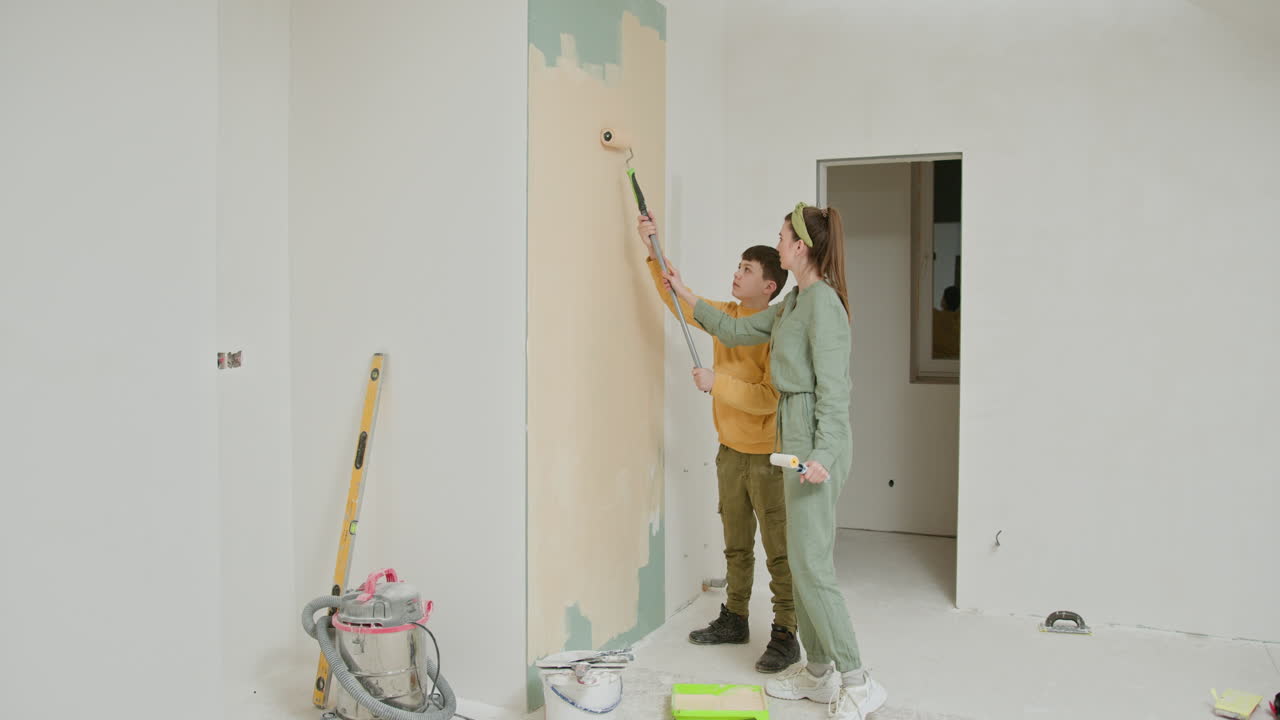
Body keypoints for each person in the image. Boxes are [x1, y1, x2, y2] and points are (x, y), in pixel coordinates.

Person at [662, 202, 888, 718]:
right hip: (791, 441)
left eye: (783, 237)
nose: (778, 243)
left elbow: (836, 391)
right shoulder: (792, 305)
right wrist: (684, 292)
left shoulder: (825, 305)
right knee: (804, 566)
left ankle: (857, 678)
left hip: (814, 445)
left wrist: (824, 454)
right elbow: (737, 330)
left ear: (801, 248)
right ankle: (818, 673)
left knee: (812, 567)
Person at [637, 214, 799, 673]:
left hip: (768, 458)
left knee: (779, 549)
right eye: (739, 265)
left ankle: (786, 633)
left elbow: (769, 398)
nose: (736, 273)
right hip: (730, 452)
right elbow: (679, 300)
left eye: (747, 270)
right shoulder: (725, 316)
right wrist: (654, 250)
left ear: (769, 287)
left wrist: (717, 381)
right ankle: (735, 617)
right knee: (735, 544)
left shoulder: (776, 331)